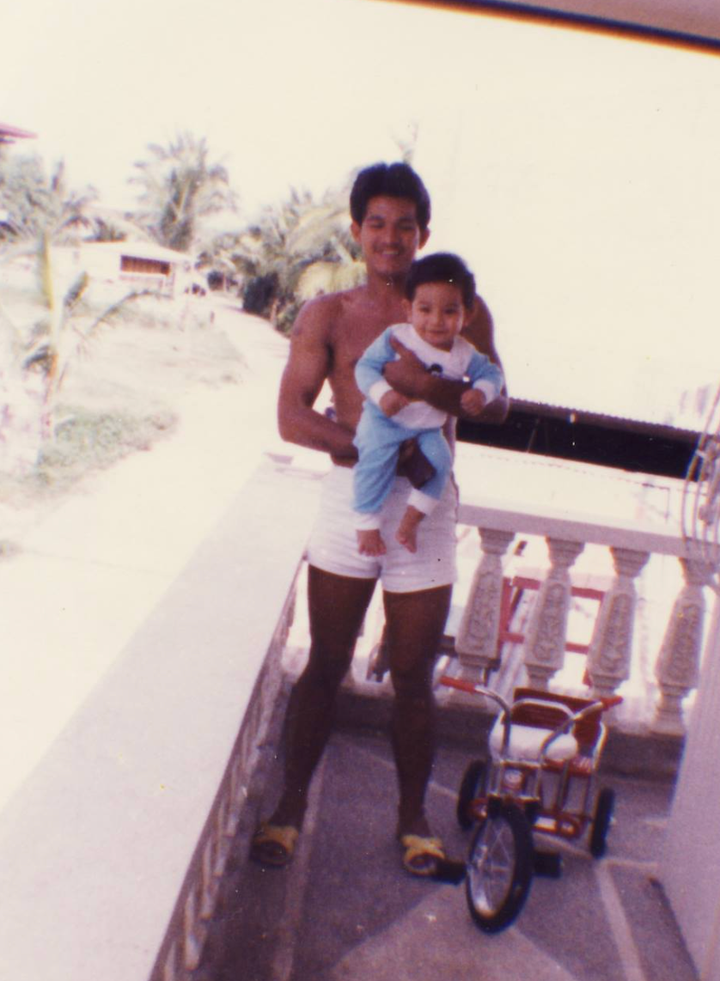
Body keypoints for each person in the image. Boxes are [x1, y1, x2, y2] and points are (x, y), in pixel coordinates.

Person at [251, 161, 508, 877]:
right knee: (326, 661)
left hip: (425, 511)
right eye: (377, 224)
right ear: (358, 231)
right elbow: (291, 416)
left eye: (405, 226)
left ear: (424, 232)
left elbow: (498, 397)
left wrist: (429, 390)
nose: (390, 238)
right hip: (349, 500)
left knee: (413, 672)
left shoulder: (462, 309)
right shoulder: (328, 313)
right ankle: (289, 808)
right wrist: (373, 452)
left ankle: (414, 820)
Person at [353, 252, 504, 556]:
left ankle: (410, 522)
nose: (436, 321)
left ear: (467, 315)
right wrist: (383, 394)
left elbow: (492, 375)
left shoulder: (464, 353)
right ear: (408, 309)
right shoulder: (397, 337)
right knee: (374, 459)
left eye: (449, 311)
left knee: (441, 464)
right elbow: (364, 368)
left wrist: (482, 392)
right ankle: (366, 524)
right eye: (425, 309)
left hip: (427, 429)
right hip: (385, 421)